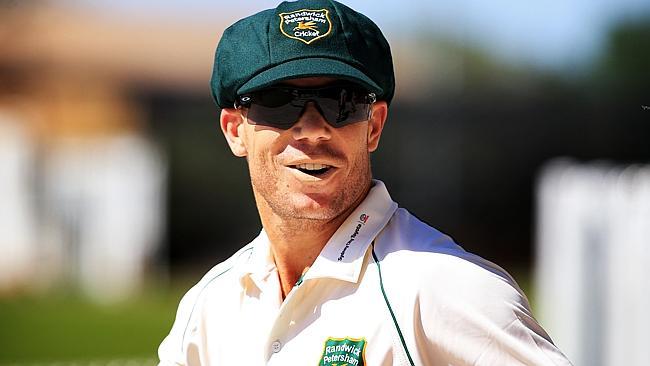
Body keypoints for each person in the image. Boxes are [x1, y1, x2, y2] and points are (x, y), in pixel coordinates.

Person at [158, 0, 572, 365]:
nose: (313, 130)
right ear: (235, 130)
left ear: (373, 125)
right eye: (278, 103)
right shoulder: (208, 305)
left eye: (342, 102)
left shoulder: (444, 287)